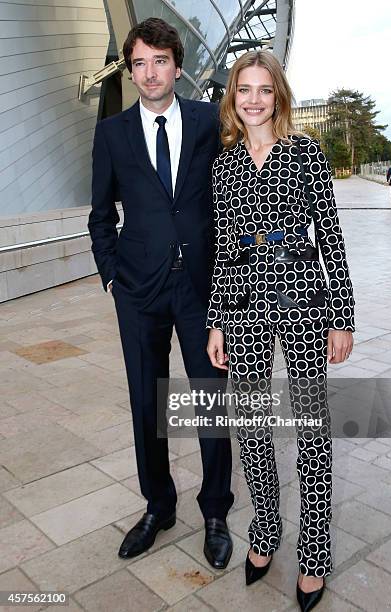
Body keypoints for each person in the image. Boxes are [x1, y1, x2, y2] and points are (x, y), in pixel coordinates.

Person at [206, 50, 355, 611]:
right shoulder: (223, 166)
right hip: (243, 306)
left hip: (303, 304)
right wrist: (217, 321)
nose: (253, 99)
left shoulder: (306, 154)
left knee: (312, 431)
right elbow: (224, 251)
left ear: (279, 96)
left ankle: (315, 553)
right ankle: (265, 529)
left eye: (264, 90)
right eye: (244, 89)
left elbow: (331, 240)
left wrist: (342, 316)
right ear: (233, 97)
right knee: (251, 427)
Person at [88, 17, 234, 569]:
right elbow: (100, 216)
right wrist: (111, 276)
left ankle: (216, 510)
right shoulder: (111, 133)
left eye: (160, 61)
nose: (150, 73)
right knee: (147, 404)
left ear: (178, 65)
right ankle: (159, 506)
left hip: (203, 289)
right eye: (140, 63)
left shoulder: (207, 122)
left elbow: (234, 198)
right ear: (131, 69)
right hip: (139, 292)